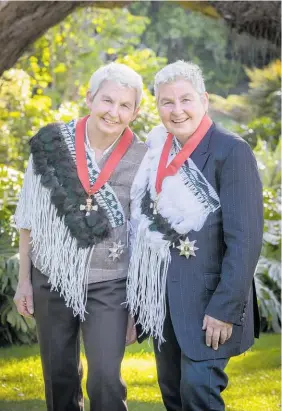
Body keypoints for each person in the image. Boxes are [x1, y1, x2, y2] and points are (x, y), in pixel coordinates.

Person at [127, 60, 263, 411]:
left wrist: (225, 309)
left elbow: (245, 240)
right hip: (165, 308)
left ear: (204, 100)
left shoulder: (230, 151)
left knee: (198, 394)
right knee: (173, 397)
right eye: (166, 102)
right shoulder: (155, 151)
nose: (177, 110)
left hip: (210, 306)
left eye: (185, 100)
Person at [13, 62, 147, 411]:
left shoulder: (142, 157)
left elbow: (143, 236)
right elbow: (29, 214)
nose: (113, 112)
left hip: (110, 281)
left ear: (135, 111)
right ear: (89, 98)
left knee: (105, 378)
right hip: (51, 274)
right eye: (107, 100)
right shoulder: (52, 142)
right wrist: (24, 281)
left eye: (124, 105)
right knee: (59, 377)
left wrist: (136, 306)